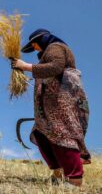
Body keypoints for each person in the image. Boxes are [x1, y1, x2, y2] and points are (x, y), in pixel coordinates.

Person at [12, 29, 90, 187]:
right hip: (49, 105)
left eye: (34, 44)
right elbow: (47, 71)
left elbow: (56, 67)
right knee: (41, 134)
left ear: (41, 40)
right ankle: (58, 173)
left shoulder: (55, 47)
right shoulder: (46, 53)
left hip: (61, 102)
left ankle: (75, 180)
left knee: (63, 134)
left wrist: (26, 66)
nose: (34, 48)